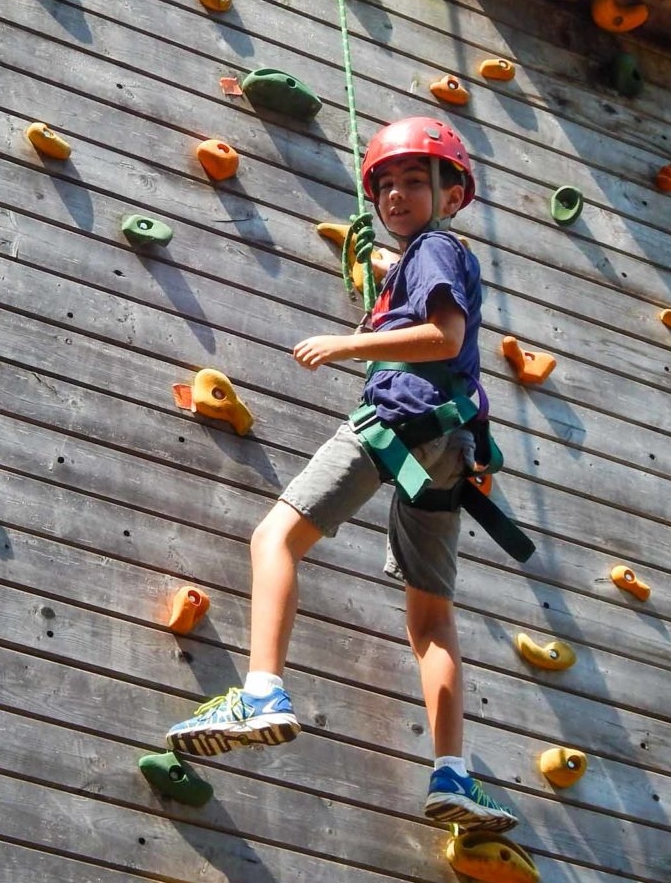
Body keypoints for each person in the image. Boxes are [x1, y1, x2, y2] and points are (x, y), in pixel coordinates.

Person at [165, 117, 517, 832]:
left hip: (395, 423)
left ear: (454, 194)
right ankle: (453, 775)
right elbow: (444, 322)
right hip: (446, 444)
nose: (394, 195)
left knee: (274, 541)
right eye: (384, 184)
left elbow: (443, 337)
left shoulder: (438, 249)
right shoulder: (430, 256)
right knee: (432, 620)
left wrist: (349, 343)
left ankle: (262, 691)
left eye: (415, 181)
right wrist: (386, 280)